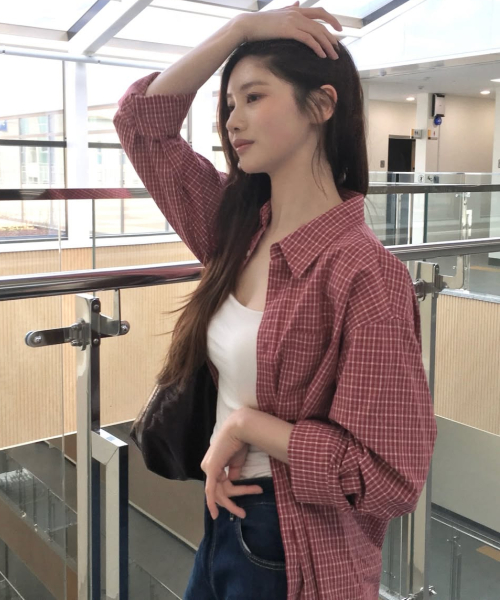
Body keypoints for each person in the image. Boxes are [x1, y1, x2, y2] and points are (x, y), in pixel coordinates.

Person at [113, 3, 438, 599]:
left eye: (254, 97)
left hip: (293, 545)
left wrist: (248, 425)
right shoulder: (236, 229)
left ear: (321, 105)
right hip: (222, 518)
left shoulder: (365, 275)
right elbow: (141, 124)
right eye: (229, 104)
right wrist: (241, 29)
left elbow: (389, 476)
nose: (232, 120)